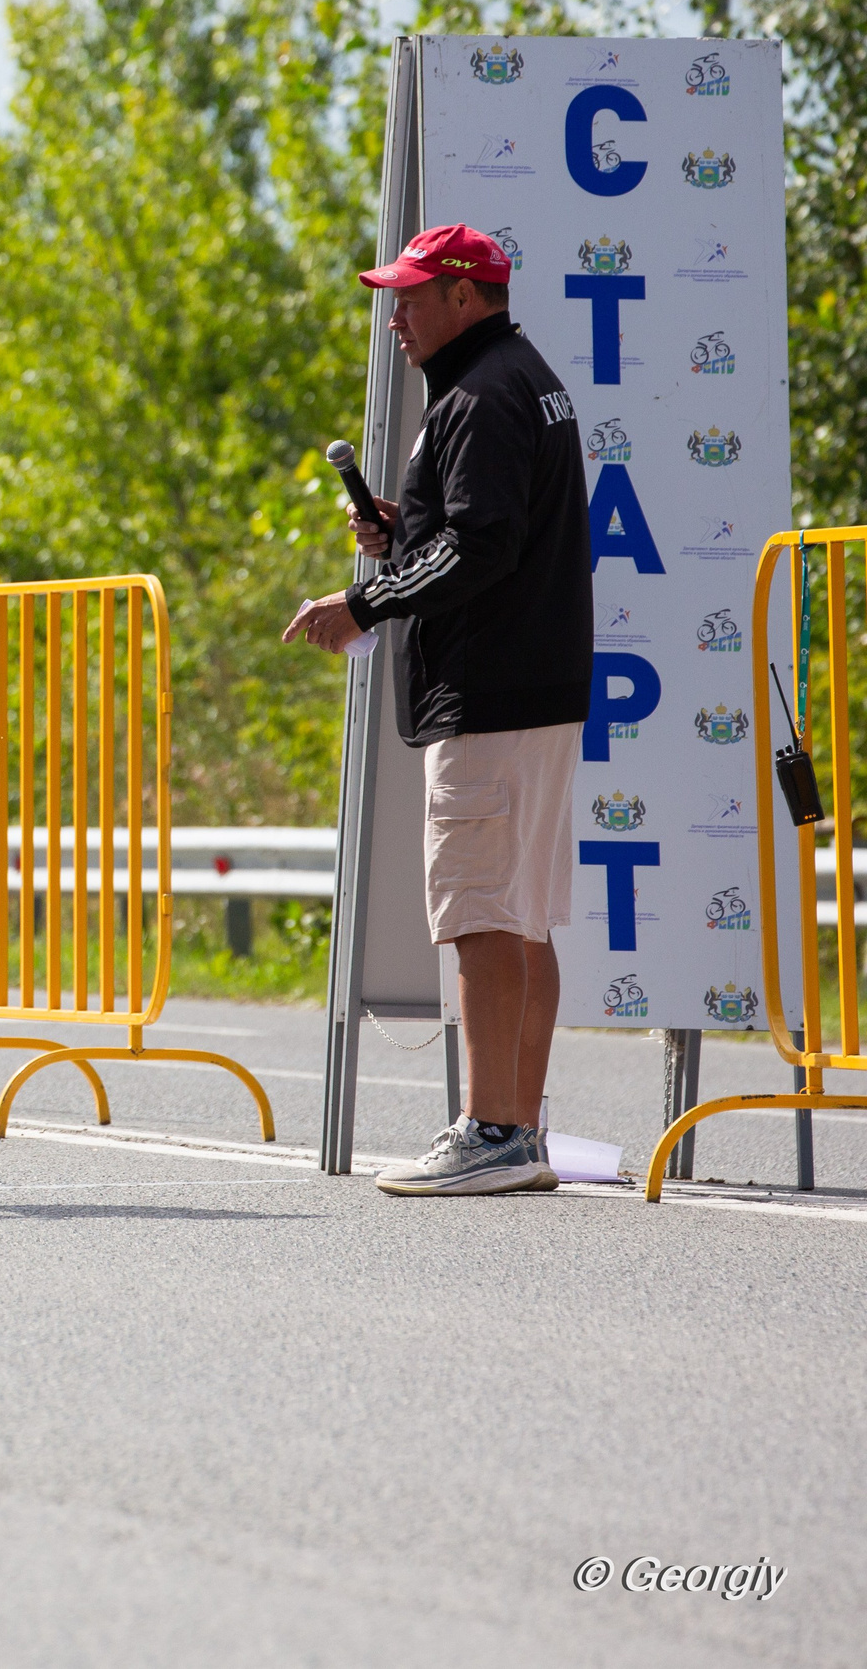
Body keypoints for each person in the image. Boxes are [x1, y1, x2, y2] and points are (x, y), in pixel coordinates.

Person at [281, 223, 590, 1196]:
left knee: (481, 915)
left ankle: (491, 1125)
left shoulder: (481, 393)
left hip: (489, 694)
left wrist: (360, 599)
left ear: (465, 295)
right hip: (532, 689)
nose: (394, 316)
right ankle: (522, 1128)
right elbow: (471, 537)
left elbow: (484, 547)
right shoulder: (518, 376)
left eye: (410, 296)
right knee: (524, 916)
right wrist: (398, 537)